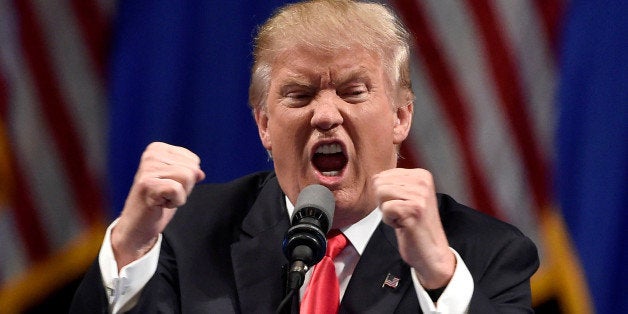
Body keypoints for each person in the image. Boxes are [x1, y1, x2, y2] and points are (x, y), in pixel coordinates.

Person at [71, 0, 539, 313]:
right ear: (264, 125)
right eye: (299, 95)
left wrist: (438, 275)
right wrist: (128, 246)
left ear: (400, 117)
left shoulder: (487, 254)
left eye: (353, 92)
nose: (326, 115)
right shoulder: (188, 234)